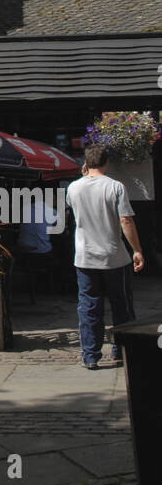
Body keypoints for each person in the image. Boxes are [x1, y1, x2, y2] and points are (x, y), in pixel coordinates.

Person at [65, 145, 144, 370]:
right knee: (122, 306)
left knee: (89, 306)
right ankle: (124, 351)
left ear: (85, 163)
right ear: (106, 162)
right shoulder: (115, 187)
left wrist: (83, 176)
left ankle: (90, 355)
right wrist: (137, 249)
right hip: (114, 257)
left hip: (85, 257)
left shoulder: (73, 188)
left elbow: (73, 209)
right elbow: (126, 221)